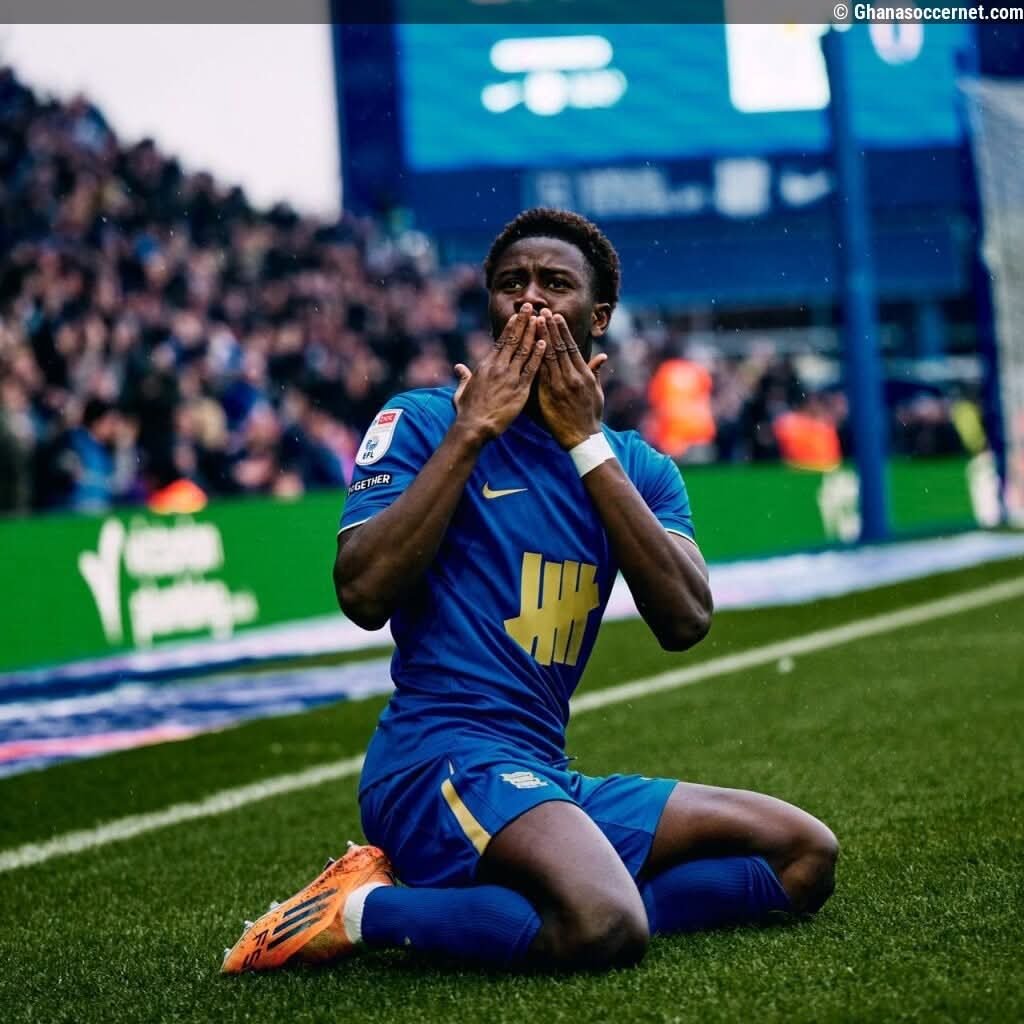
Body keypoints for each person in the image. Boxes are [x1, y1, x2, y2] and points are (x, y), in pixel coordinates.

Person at [221, 208, 838, 974]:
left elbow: (685, 619)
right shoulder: (422, 421)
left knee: (803, 856)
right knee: (604, 924)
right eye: (511, 283)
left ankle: (533, 906)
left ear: (598, 316)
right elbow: (362, 593)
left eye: (555, 283)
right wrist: (472, 433)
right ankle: (357, 910)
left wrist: (583, 442)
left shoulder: (638, 468)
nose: (531, 298)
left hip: (541, 771)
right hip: (437, 759)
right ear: (489, 305)